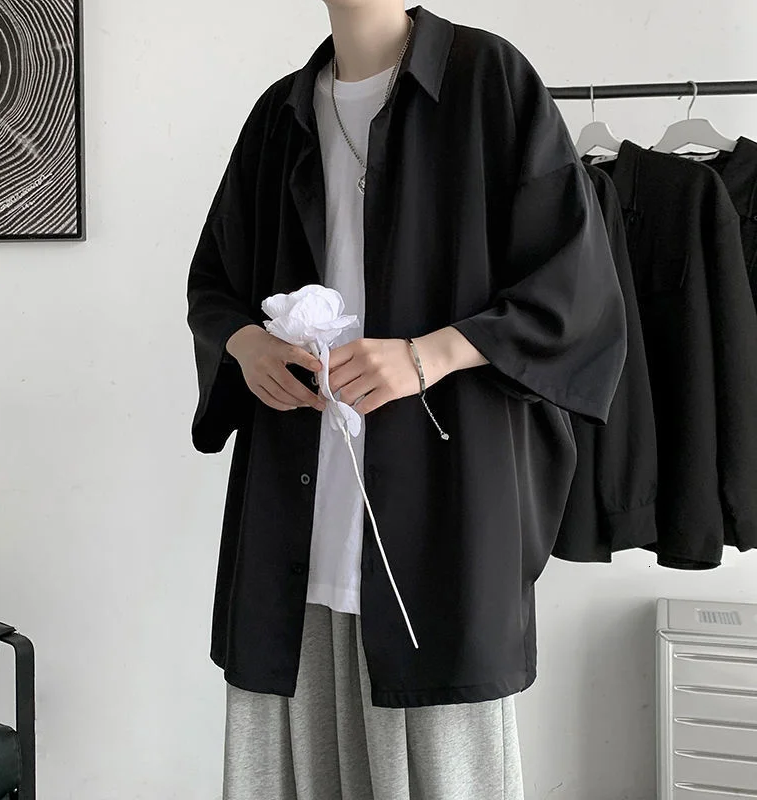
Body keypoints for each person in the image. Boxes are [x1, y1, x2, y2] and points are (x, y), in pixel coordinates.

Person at [186, 2, 627, 798]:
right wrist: (247, 345)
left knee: (444, 769)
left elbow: (577, 289)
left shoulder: (488, 81)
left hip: (440, 516)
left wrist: (427, 356)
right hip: (295, 517)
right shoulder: (282, 113)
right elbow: (214, 282)